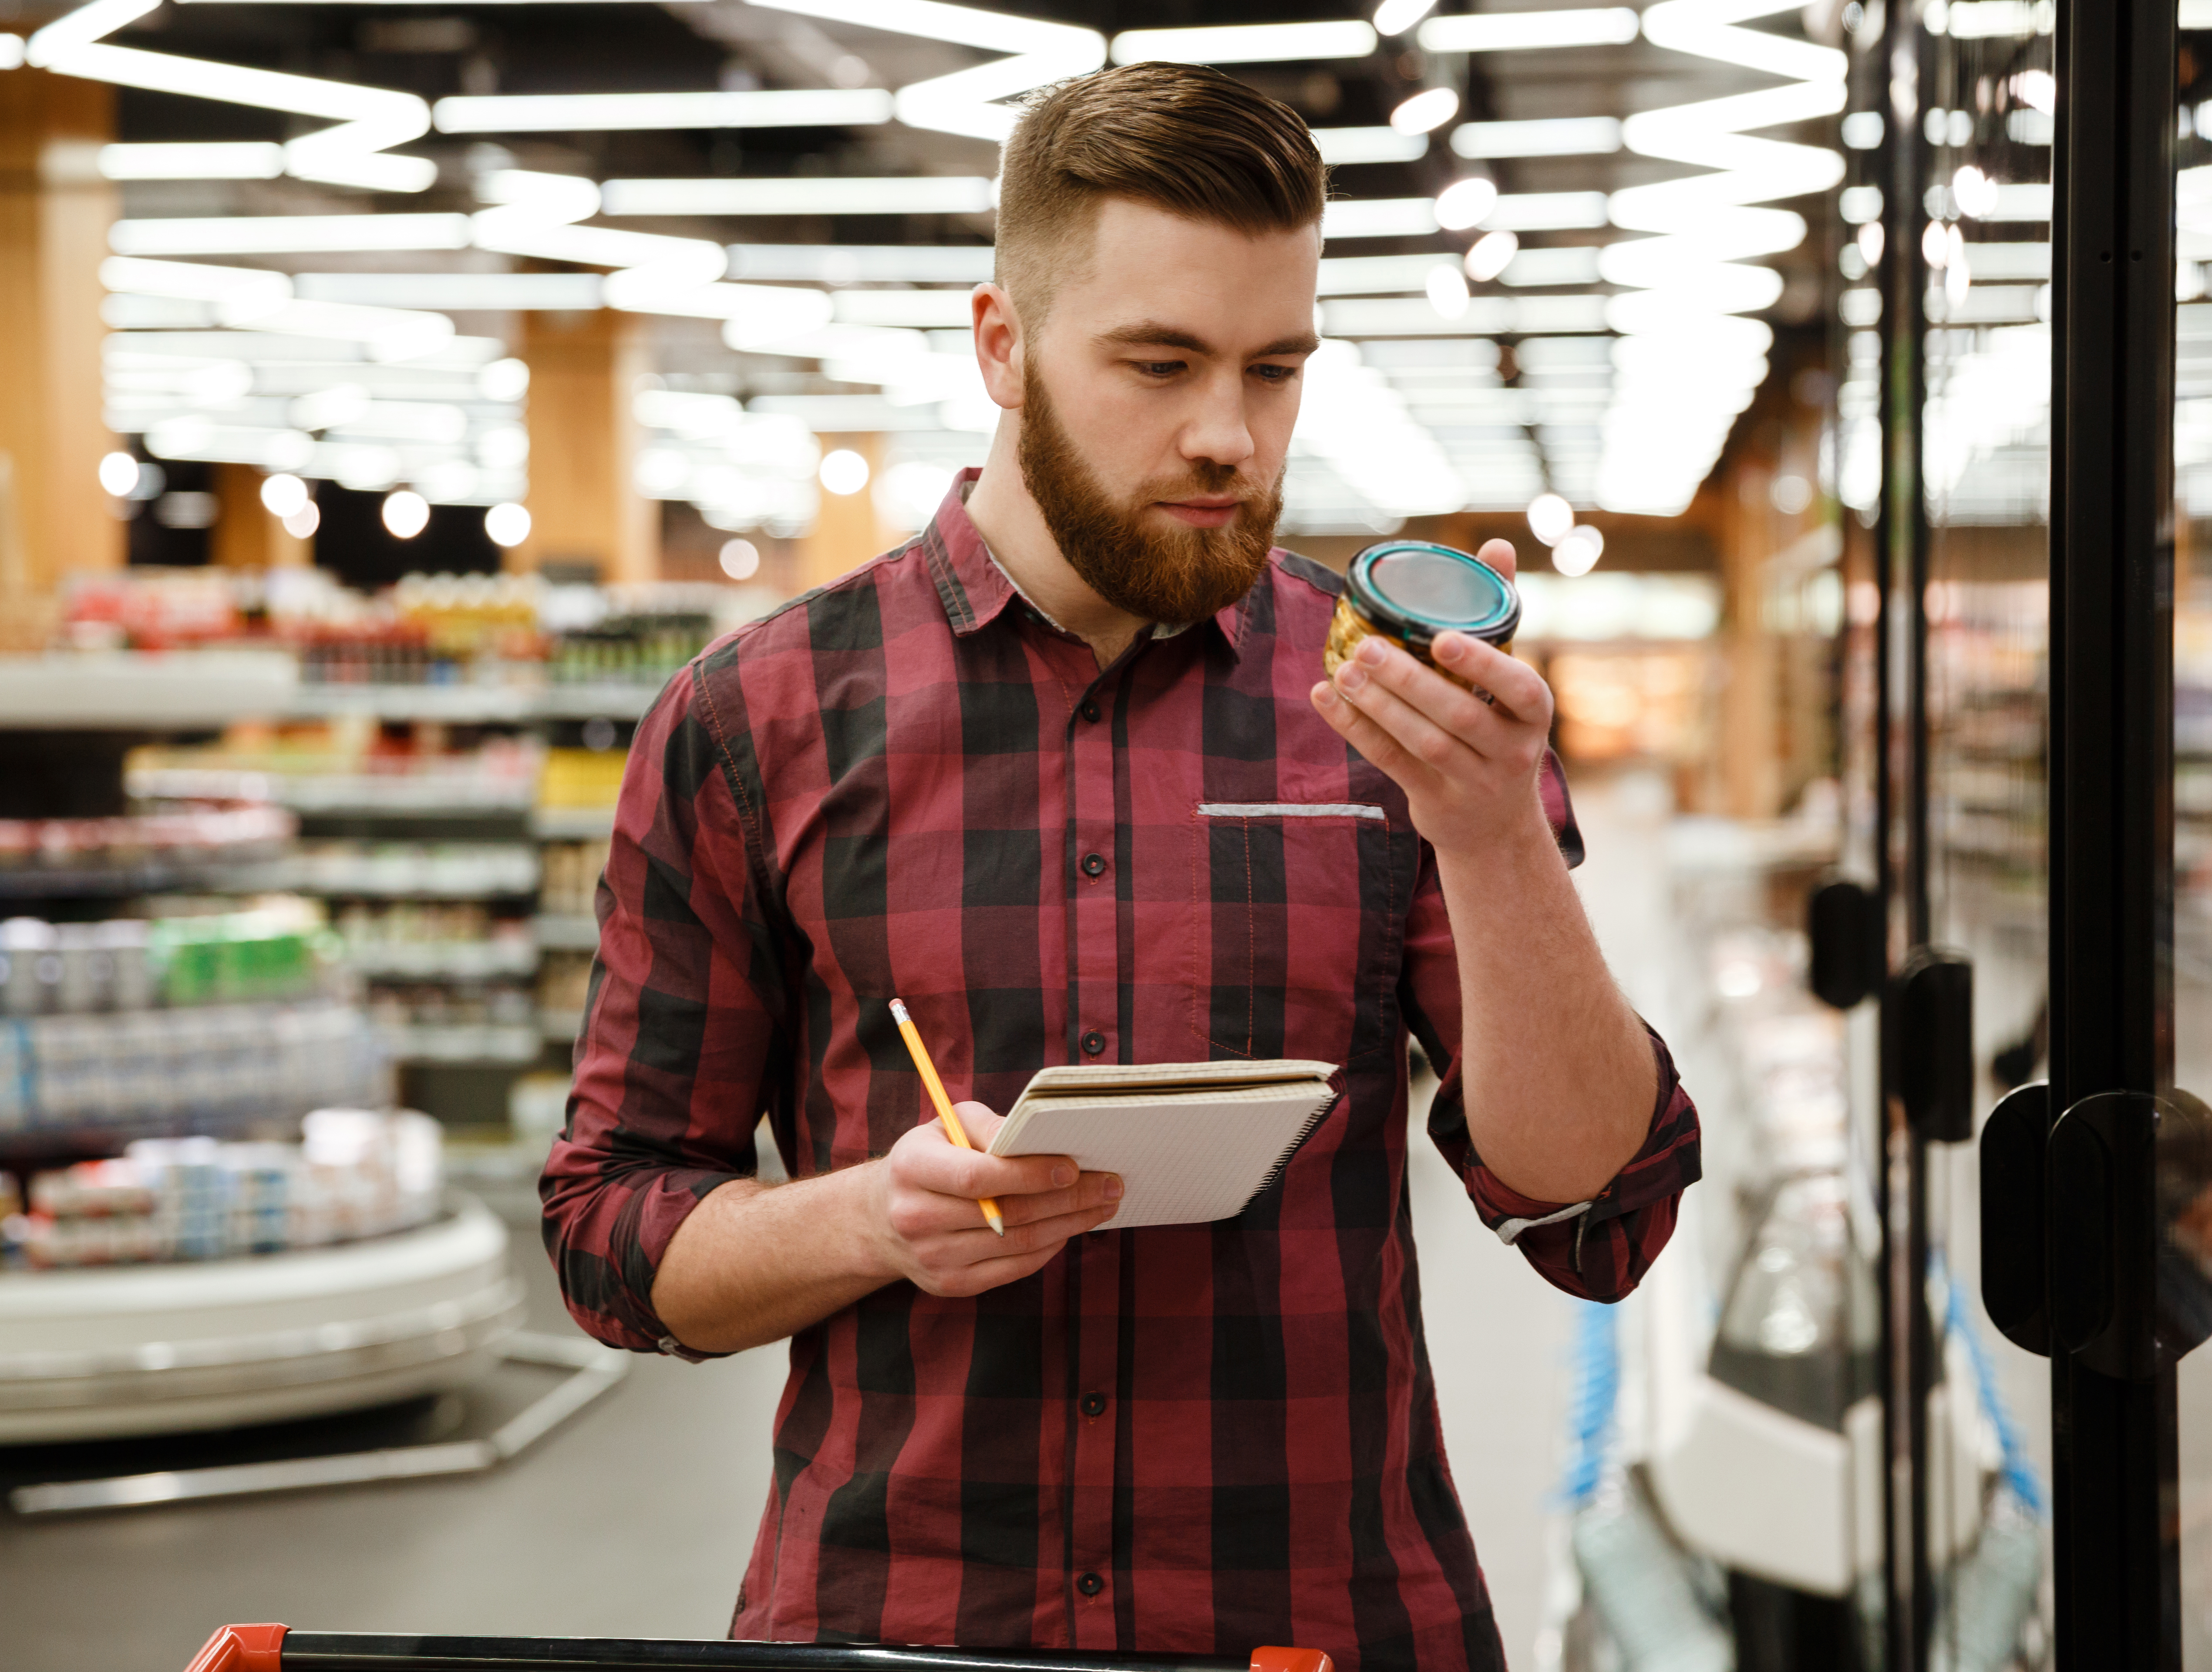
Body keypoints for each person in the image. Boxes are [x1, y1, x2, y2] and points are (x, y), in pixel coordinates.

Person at [543, 62, 1700, 1672]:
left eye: (1274, 370)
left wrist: (1497, 837)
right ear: (1002, 344)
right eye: (1158, 364)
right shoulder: (759, 719)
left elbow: (1598, 1206)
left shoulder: (1394, 704)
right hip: (905, 1623)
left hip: (1316, 1622)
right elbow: (613, 1233)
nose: (1228, 435)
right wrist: (873, 1222)